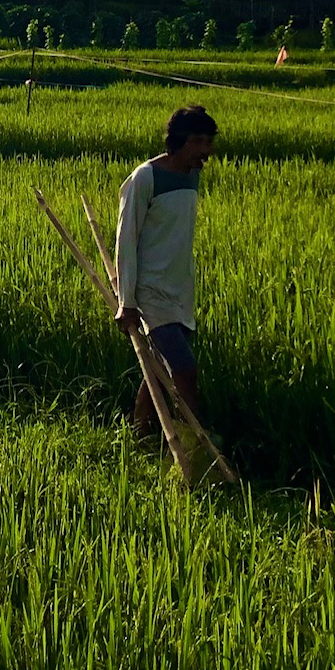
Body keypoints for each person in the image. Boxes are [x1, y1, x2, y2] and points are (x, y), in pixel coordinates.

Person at [114, 104, 219, 443]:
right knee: (184, 370)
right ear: (179, 141)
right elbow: (125, 241)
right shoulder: (146, 178)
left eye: (209, 141)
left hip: (180, 291)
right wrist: (126, 301)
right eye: (199, 141)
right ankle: (193, 445)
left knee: (157, 372)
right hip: (151, 294)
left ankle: (138, 437)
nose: (206, 151)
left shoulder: (192, 176)